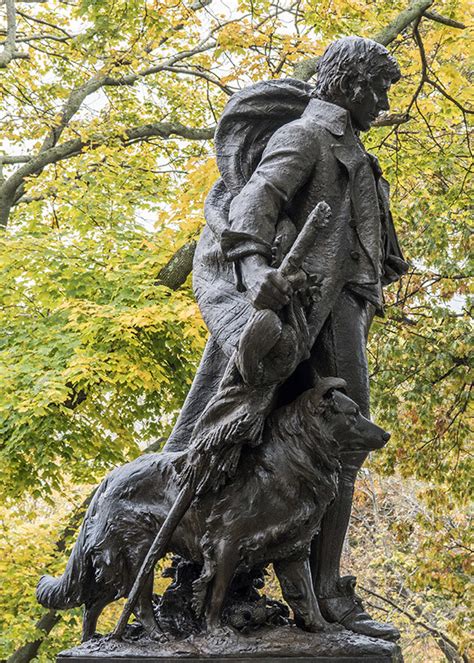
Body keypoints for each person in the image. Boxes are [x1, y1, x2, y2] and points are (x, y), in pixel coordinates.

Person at [165, 36, 408, 639]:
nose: (382, 102)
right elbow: (257, 201)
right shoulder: (305, 135)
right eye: (377, 88)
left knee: (326, 449)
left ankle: (313, 591)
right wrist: (254, 272)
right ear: (350, 85)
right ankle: (295, 586)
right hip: (307, 316)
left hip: (344, 309)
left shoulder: (349, 145)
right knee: (323, 443)